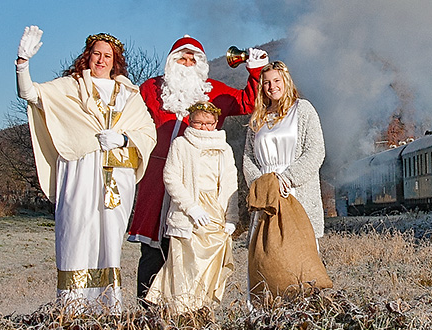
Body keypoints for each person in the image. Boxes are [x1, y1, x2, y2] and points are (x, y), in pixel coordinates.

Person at [15, 26, 157, 312]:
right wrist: (22, 63)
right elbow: (30, 94)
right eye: (97, 54)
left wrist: (124, 138)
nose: (102, 60)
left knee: (109, 240)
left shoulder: (129, 94)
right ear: (87, 57)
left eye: (108, 56)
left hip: (116, 176)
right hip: (80, 169)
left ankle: (107, 307)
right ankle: (72, 308)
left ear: (115, 61)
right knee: (77, 232)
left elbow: (149, 133)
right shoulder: (70, 86)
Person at [127, 35, 268, 302]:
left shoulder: (214, 90)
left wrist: (255, 71)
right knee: (152, 248)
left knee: (188, 244)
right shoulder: (151, 89)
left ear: (202, 63)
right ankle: (146, 310)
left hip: (197, 178)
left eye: (193, 59)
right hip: (157, 178)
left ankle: (185, 306)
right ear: (171, 62)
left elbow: (248, 103)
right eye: (182, 57)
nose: (187, 63)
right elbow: (128, 112)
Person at [242, 60, 328, 300]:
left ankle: (303, 317)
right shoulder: (257, 118)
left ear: (286, 81)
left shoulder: (304, 110)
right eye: (267, 82)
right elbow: (248, 158)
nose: (272, 86)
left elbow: (315, 151)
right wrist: (261, 186)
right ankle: (264, 316)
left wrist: (287, 179)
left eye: (276, 80)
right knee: (265, 260)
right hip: (266, 198)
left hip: (296, 193)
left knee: (301, 264)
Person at [144, 101, 238, 312]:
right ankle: (180, 314)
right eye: (198, 123)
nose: (204, 127)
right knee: (184, 268)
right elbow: (171, 177)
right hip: (189, 214)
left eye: (208, 123)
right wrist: (191, 207)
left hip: (215, 212)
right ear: (190, 121)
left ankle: (203, 312)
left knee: (210, 268)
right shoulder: (181, 144)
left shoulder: (224, 148)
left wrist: (232, 218)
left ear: (216, 123)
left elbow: (231, 182)